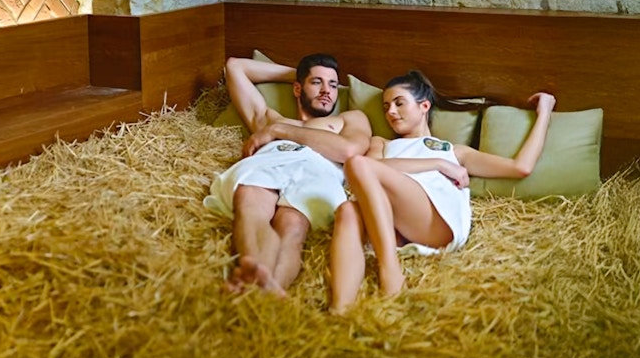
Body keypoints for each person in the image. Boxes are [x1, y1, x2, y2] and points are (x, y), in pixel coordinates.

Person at [329, 70, 556, 314]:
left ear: (424, 105)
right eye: (386, 107)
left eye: (399, 103)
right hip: (392, 225)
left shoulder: (454, 151)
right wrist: (436, 164)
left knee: (358, 164)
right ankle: (340, 310)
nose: (390, 112)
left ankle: (390, 271)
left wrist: (545, 112)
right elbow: (367, 172)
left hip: (435, 223)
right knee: (347, 209)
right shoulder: (382, 144)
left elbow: (520, 167)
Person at [205, 53, 372, 295]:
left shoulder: (349, 119)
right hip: (274, 157)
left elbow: (348, 150)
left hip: (319, 169)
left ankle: (263, 288)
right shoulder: (269, 119)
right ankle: (260, 280)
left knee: (292, 225)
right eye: (317, 82)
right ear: (297, 88)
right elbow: (235, 67)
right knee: (249, 202)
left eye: (333, 85)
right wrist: (298, 73)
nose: (327, 91)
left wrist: (280, 130)